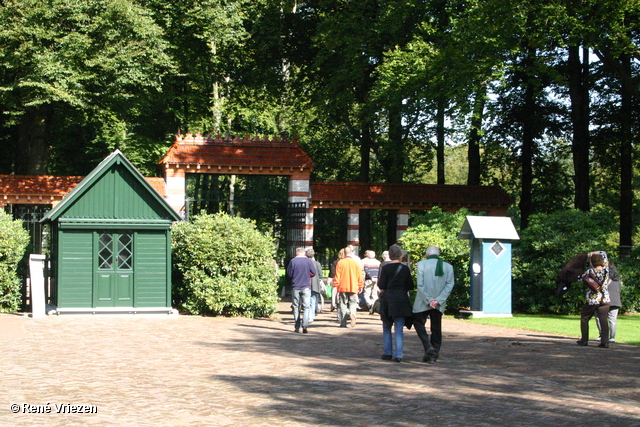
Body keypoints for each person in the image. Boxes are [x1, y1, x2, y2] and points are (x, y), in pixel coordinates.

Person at [413, 246, 454, 364]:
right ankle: (434, 353)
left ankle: (427, 346)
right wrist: (438, 300)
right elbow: (450, 285)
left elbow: (420, 285)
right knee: (436, 328)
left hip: (422, 301)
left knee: (418, 323)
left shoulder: (421, 265)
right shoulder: (448, 267)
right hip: (438, 303)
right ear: (438, 254)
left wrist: (429, 299)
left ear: (426, 255)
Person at [377, 244, 414, 362]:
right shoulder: (405, 268)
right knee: (399, 328)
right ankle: (398, 354)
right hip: (401, 300)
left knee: (387, 327)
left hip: (388, 299)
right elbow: (411, 286)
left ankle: (388, 352)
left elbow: (381, 284)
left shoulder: (386, 268)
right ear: (400, 255)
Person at [577, 252, 611, 348]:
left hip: (592, 299)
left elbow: (580, 279)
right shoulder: (606, 271)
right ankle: (605, 342)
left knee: (585, 318)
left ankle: (584, 340)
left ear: (592, 262)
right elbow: (604, 254)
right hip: (605, 299)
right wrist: (596, 253)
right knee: (603, 320)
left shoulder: (590, 272)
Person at [286, 247, 317, 333]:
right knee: (307, 307)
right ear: (304, 253)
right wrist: (308, 275)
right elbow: (313, 272)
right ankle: (305, 325)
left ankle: (297, 326)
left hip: (295, 286)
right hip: (306, 286)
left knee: (296, 307)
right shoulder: (308, 261)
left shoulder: (293, 261)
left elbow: (289, 274)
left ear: (296, 253)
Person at [334, 245, 364, 328]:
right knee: (353, 302)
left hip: (342, 286)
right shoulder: (356, 263)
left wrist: (336, 285)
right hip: (353, 286)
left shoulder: (340, 262)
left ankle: (343, 322)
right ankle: (352, 314)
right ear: (351, 252)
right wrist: (360, 285)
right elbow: (359, 276)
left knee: (343, 303)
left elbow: (337, 276)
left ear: (345, 253)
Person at [595, 255, 621, 343]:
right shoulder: (617, 279)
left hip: (605, 300)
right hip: (616, 300)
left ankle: (602, 334)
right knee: (612, 320)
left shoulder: (605, 277)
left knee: (599, 317)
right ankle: (612, 337)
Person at [306, 248, 324, 323]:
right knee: (313, 301)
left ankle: (307, 316)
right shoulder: (317, 263)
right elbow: (320, 275)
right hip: (315, 285)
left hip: (305, 284)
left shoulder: (305, 263)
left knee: (306, 301)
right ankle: (311, 317)